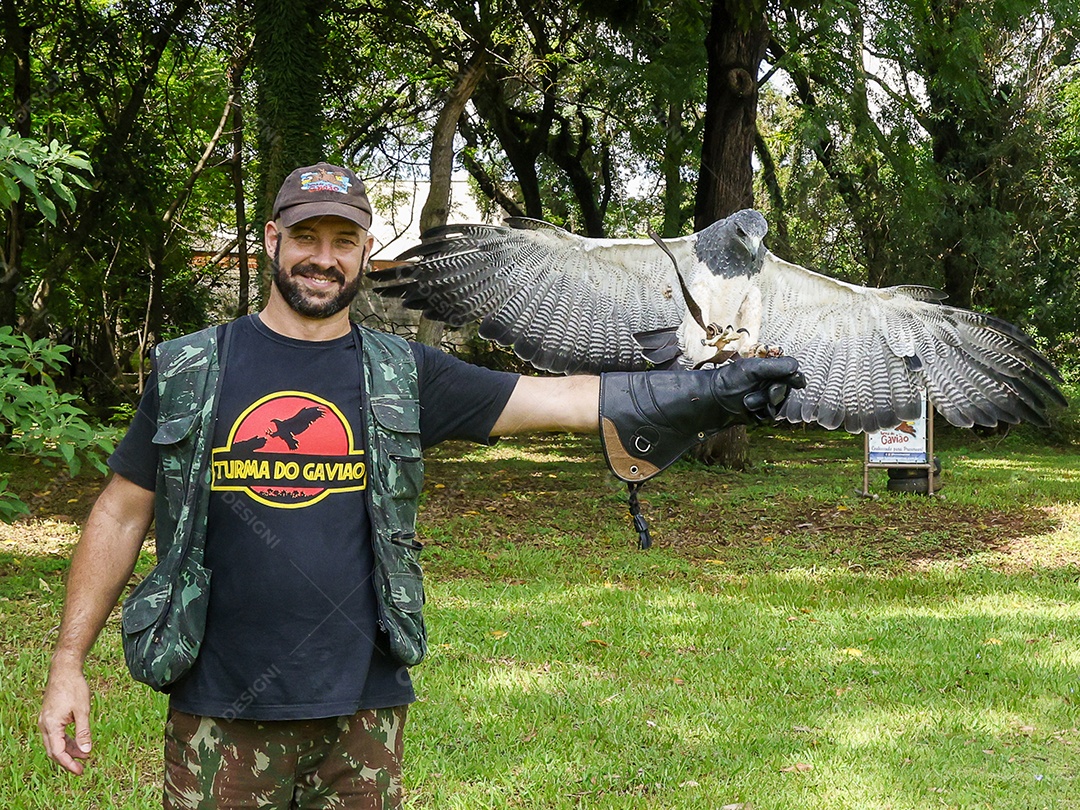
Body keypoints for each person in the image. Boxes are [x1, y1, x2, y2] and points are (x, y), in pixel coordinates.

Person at [38, 162, 804, 808]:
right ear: (273, 240)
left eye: (343, 241)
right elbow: (119, 513)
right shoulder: (192, 369)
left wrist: (709, 393)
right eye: (306, 236)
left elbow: (562, 399)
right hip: (218, 711)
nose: (322, 257)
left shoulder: (403, 374)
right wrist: (68, 665)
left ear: (366, 253)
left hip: (366, 713)